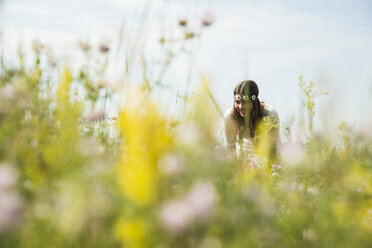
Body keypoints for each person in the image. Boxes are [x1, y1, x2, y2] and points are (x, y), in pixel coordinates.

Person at [223, 80, 280, 159]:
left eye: (245, 102)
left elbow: (273, 149)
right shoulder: (229, 117)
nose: (241, 106)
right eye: (237, 102)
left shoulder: (270, 114)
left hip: (265, 158)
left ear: (254, 101)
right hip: (242, 159)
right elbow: (230, 148)